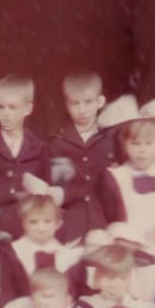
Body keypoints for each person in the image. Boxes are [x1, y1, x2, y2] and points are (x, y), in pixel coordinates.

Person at [98, 95, 155, 300]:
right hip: (129, 239)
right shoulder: (116, 177)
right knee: (130, 284)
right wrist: (124, 234)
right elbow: (111, 214)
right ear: (124, 144)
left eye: (149, 143)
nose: (142, 150)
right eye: (135, 143)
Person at [48, 71, 118, 242]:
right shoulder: (57, 142)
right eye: (75, 103)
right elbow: (58, 186)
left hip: (106, 218)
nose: (82, 110)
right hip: (71, 220)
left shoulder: (112, 139)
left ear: (100, 101)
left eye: (88, 102)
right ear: (66, 104)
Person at [0, 74, 51, 239]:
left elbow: (44, 193)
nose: (5, 114)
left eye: (12, 108)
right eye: (0, 107)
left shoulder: (39, 147)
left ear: (28, 109)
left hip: (27, 224)